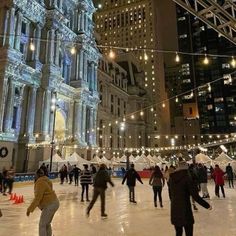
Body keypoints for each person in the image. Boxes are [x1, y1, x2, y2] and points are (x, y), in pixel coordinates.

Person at [170, 158, 211, 236]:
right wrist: (207, 205)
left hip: (175, 209)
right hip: (185, 210)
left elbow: (171, 194)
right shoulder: (187, 178)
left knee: (178, 233)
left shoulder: (172, 178)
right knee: (189, 233)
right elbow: (195, 196)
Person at [26, 169, 59, 236]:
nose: (34, 176)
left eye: (35, 175)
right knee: (47, 223)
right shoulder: (46, 179)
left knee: (42, 225)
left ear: (38, 175)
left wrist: (29, 209)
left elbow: (38, 198)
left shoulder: (40, 182)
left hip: (49, 204)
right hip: (55, 202)